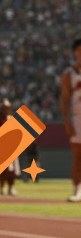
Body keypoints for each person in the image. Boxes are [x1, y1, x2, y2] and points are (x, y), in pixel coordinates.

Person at [61, 37, 81, 202]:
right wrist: (67, 122)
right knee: (78, 155)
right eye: (79, 50)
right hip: (78, 118)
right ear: (75, 52)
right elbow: (65, 100)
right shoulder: (69, 75)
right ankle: (77, 190)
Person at [0, 99, 21, 197]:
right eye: (4, 108)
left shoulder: (12, 119)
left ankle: (11, 188)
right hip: (1, 149)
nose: (5, 110)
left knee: (12, 171)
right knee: (2, 170)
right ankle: (1, 188)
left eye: (7, 108)